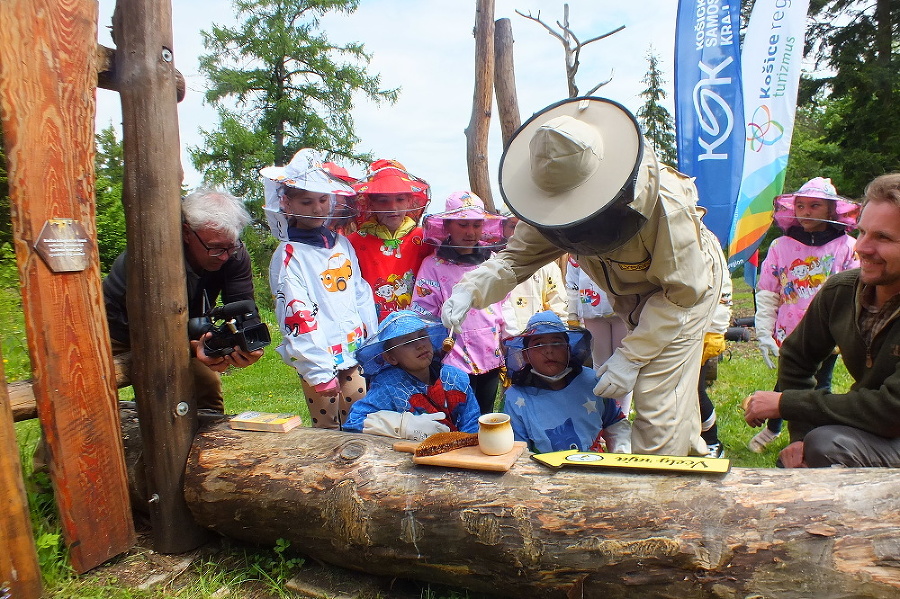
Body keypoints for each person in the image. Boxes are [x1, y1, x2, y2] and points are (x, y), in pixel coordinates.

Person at [440, 97, 725, 456]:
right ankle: (690, 455)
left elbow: (682, 294)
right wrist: (470, 288)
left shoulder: (665, 205)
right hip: (632, 297)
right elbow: (516, 259)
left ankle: (657, 496)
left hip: (685, 289)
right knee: (670, 386)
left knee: (655, 394)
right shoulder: (550, 192)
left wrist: (632, 357)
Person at [742, 173, 900, 468]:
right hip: (879, 429)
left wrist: (783, 403)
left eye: (883, 237)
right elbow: (798, 357)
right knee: (806, 453)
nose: (861, 247)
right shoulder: (842, 290)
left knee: (826, 447)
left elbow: (892, 410)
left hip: (892, 424)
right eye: (863, 232)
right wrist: (799, 437)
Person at [102, 187, 264, 413]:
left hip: (180, 325)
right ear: (187, 233)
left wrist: (247, 345)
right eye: (216, 248)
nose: (226, 256)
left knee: (207, 391)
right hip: (115, 327)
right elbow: (156, 330)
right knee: (86, 393)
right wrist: (194, 345)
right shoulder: (154, 254)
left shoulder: (233, 255)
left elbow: (242, 308)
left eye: (231, 246)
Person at [261, 149, 378, 430]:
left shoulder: (341, 243)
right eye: (307, 201)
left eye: (323, 199)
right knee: (326, 432)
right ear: (287, 203)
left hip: (353, 352)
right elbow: (295, 312)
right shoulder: (290, 253)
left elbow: (358, 292)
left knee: (360, 424)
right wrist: (317, 369)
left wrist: (372, 341)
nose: (317, 208)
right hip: (318, 357)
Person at [749, 177, 859, 452]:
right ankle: (780, 430)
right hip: (790, 332)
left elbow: (856, 293)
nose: (806, 211)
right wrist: (763, 331)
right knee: (790, 377)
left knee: (820, 382)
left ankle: (807, 436)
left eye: (815, 205)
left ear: (831, 211)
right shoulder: (780, 247)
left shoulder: (847, 246)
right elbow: (769, 291)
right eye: (801, 205)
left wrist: (852, 333)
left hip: (830, 331)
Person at [413, 190, 509, 414]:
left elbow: (505, 304)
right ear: (447, 226)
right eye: (462, 225)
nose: (470, 232)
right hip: (452, 354)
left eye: (476, 225)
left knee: (485, 413)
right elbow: (423, 311)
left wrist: (507, 338)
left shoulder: (492, 263)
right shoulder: (433, 265)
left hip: (490, 351)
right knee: (458, 413)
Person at [502, 311, 631, 454]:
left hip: (595, 469)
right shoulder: (515, 398)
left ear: (568, 349)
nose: (549, 351)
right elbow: (517, 452)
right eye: (538, 344)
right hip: (542, 474)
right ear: (526, 355)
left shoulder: (593, 382)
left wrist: (621, 456)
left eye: (557, 342)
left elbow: (616, 424)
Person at [343, 310, 480, 439]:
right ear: (391, 358)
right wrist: (402, 425)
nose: (420, 345)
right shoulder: (388, 387)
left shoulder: (455, 378)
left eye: (422, 336)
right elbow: (354, 423)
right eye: (408, 342)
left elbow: (471, 423)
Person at [349, 159, 433, 321]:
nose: (393, 207)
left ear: (410, 201)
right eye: (383, 200)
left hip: (418, 327)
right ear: (370, 203)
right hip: (373, 328)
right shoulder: (354, 243)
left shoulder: (425, 239)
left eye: (400, 199)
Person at [564, 256, 631, 412]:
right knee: (600, 365)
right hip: (591, 309)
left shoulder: (619, 242)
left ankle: (623, 416)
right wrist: (572, 314)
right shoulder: (576, 249)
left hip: (622, 307)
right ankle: (603, 414)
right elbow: (572, 281)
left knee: (623, 364)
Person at [698, 273, 733, 459]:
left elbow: (722, 291)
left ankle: (711, 441)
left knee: (695, 391)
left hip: (702, 333)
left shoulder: (710, 250)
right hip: (672, 329)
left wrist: (715, 331)